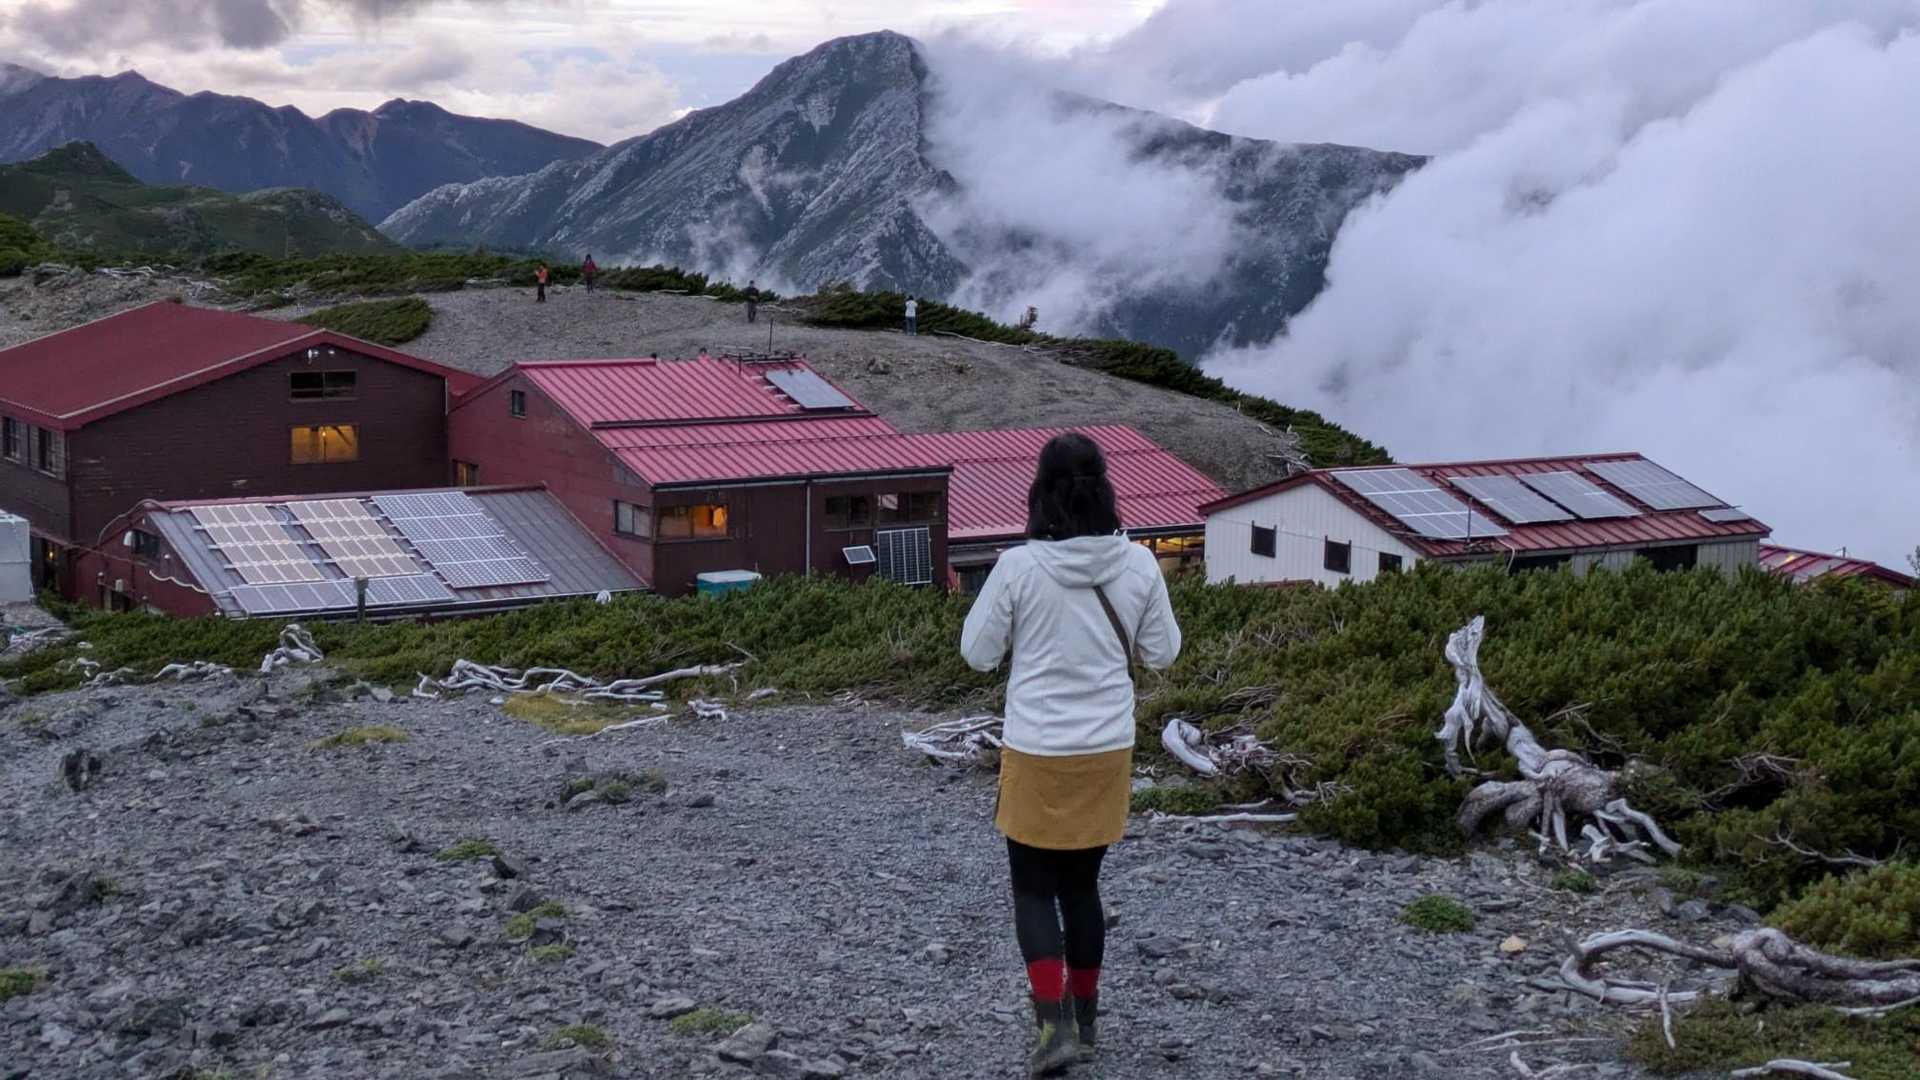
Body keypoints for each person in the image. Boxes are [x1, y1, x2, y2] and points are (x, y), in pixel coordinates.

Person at [960, 433, 1182, 1077]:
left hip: (1036, 748)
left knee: (1033, 890)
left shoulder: (1019, 567)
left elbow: (977, 654)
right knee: (1081, 888)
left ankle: (1051, 1027)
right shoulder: (1138, 565)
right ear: (1106, 489)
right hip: (1106, 749)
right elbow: (1162, 653)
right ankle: (1085, 1024)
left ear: (1040, 492)